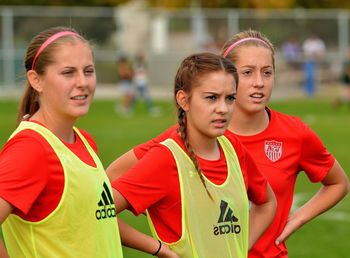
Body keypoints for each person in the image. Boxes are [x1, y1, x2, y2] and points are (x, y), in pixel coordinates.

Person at [108, 30, 350, 258]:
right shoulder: (184, 139)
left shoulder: (292, 133)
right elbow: (108, 186)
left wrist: (295, 218)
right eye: (247, 72)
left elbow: (335, 183)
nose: (259, 82)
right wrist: (160, 245)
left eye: (267, 72)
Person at [0, 26, 178, 258]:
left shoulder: (84, 140)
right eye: (68, 73)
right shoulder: (31, 149)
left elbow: (94, 218)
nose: (82, 82)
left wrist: (158, 248)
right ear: (36, 80)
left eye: (88, 71)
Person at [109, 52, 277, 258]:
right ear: (184, 100)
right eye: (211, 98)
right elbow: (99, 213)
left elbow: (268, 202)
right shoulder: (165, 158)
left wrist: (240, 247)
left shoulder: (233, 148)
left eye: (230, 98)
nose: (223, 108)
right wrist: (159, 249)